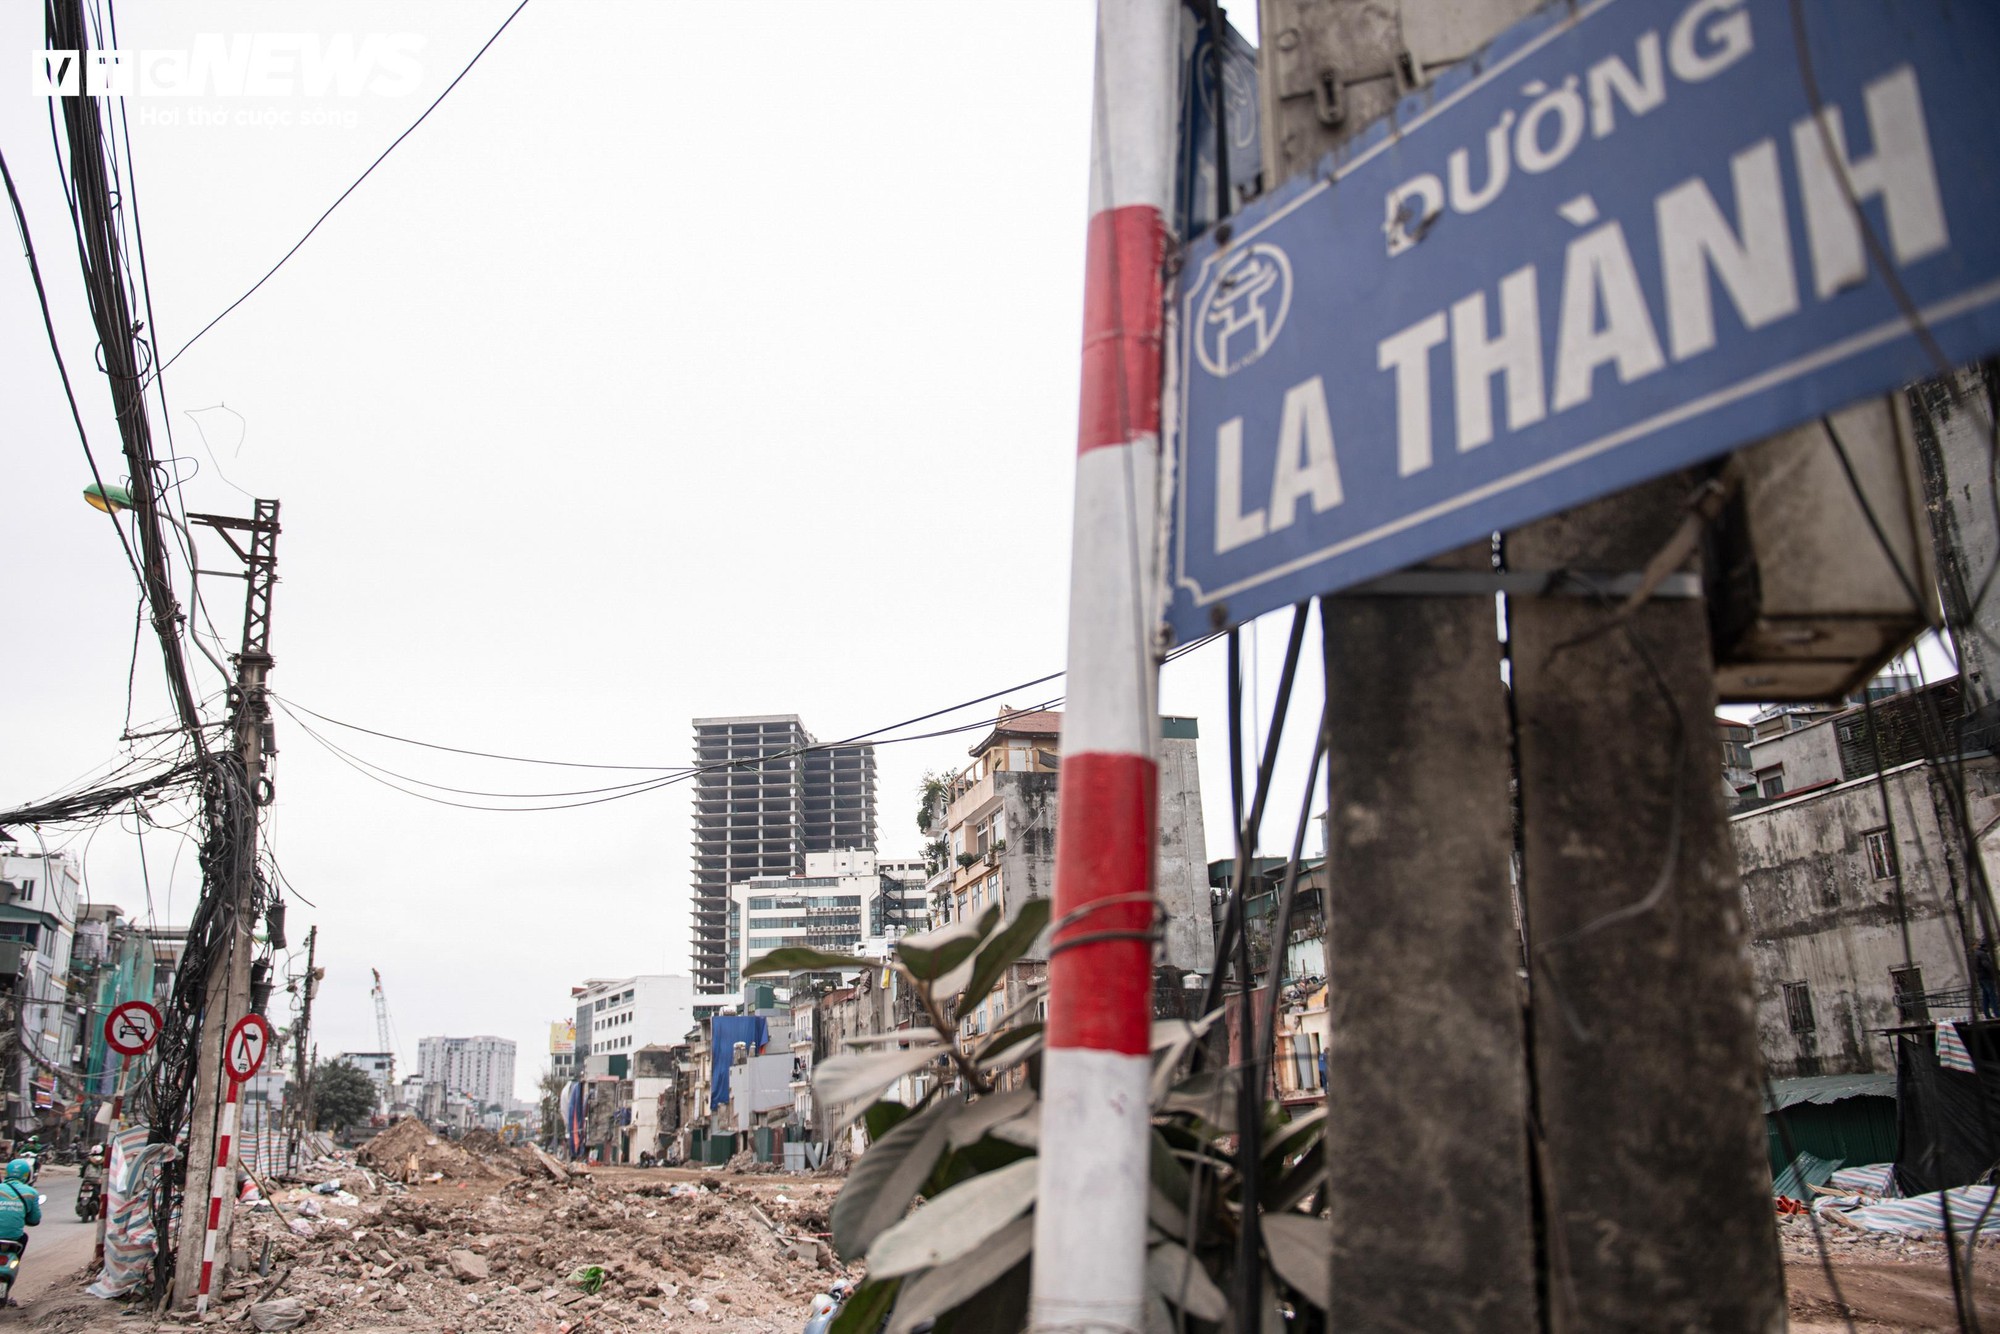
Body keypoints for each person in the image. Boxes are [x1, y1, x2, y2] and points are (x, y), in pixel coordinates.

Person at [0, 1158, 42, 1299]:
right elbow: (34, 1220)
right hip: (14, 1239)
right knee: (24, 1237)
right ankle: (14, 1262)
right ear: (27, 1175)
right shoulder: (31, 1192)